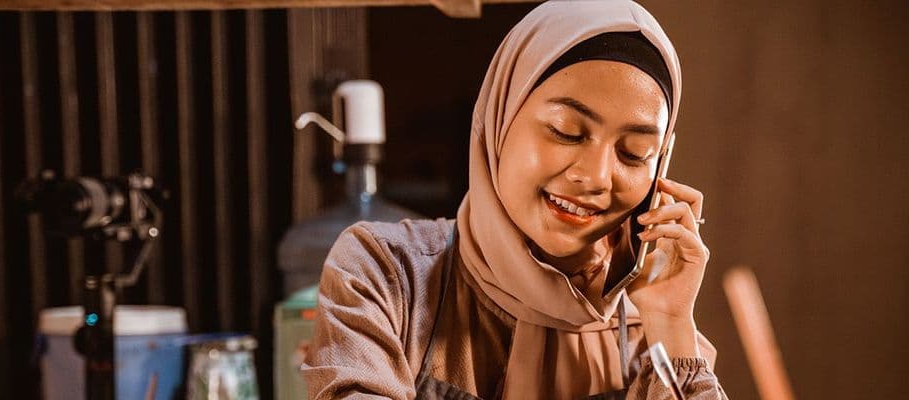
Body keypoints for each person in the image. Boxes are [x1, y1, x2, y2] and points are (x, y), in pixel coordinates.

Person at [302, 1, 728, 399]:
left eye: (634, 154)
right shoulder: (388, 276)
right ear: (500, 118)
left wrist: (672, 327)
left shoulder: (651, 328)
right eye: (566, 130)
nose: (596, 177)